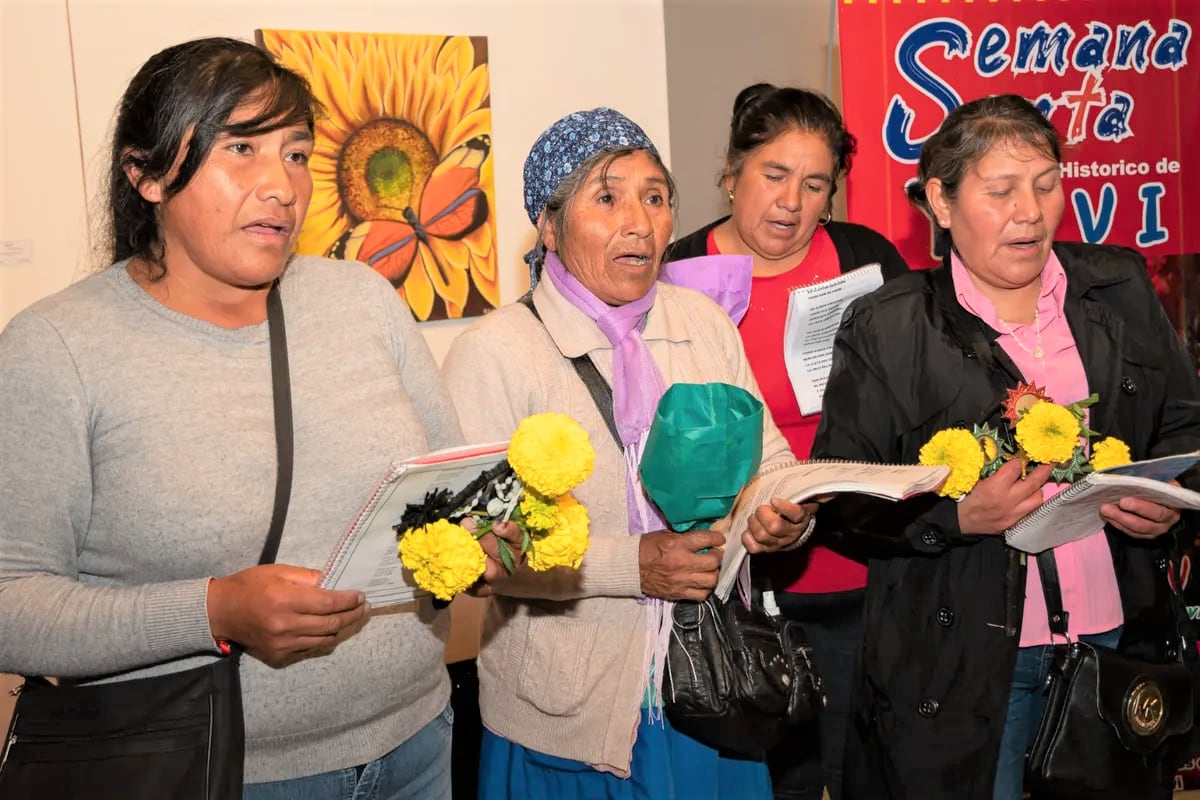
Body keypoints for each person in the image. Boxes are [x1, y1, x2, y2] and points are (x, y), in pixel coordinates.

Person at [0, 37, 518, 799]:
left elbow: (455, 489)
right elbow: (13, 604)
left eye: (298, 154)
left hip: (416, 740)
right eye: (240, 147)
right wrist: (216, 609)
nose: (281, 184)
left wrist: (490, 542)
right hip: (216, 772)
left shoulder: (362, 301)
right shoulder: (57, 349)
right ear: (143, 174)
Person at [811, 93, 1200, 799]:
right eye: (1001, 191)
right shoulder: (889, 328)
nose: (1031, 211)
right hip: (963, 664)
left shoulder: (1117, 288)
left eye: (1047, 184)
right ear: (941, 200)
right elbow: (842, 501)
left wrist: (1167, 501)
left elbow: (1185, 422)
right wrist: (954, 519)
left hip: (1113, 641)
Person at [440, 107, 815, 799]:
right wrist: (632, 566)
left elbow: (772, 460)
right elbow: (476, 554)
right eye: (607, 197)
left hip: (713, 688)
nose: (638, 220)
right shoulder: (494, 354)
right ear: (550, 227)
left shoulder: (701, 325)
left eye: (655, 197)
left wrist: (784, 512)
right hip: (571, 716)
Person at [666, 82, 909, 800]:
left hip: (866, 573)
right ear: (732, 173)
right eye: (774, 176)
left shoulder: (865, 259)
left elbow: (920, 396)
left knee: (872, 769)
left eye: (814, 185)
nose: (792, 203)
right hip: (742, 587)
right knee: (775, 782)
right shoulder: (679, 274)